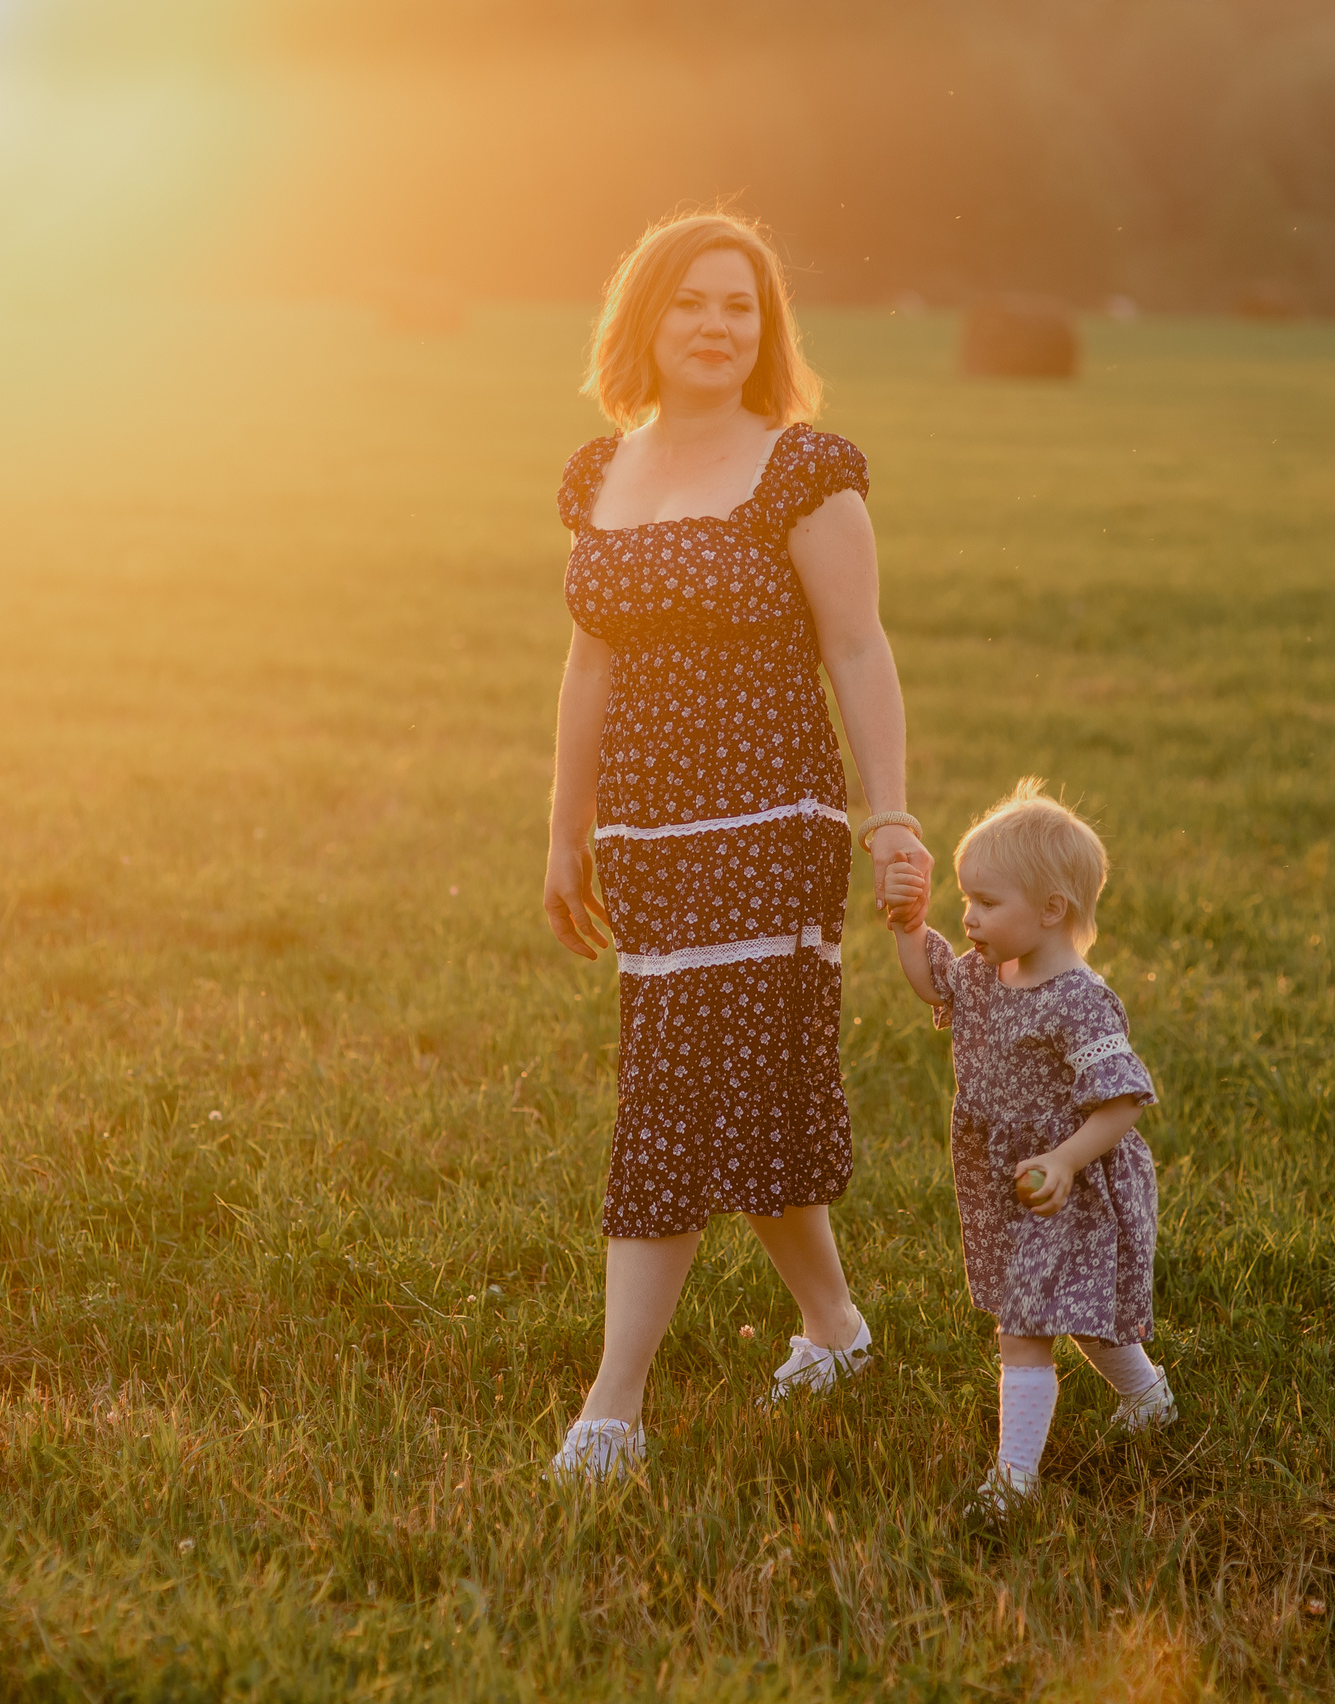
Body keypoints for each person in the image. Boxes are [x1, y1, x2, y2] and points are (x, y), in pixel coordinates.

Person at [540, 209, 928, 1481]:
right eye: (692, 301)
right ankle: (836, 1328)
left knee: (671, 1091)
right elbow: (589, 665)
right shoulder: (599, 475)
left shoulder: (803, 470)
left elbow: (857, 650)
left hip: (771, 821)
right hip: (647, 834)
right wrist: (565, 832)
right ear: (644, 318)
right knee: (745, 1092)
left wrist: (889, 818)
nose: (716, 326)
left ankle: (611, 1411)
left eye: (740, 306)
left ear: (767, 332)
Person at [880, 781, 1174, 1513]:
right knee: (1072, 1311)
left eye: (986, 902)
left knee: (1026, 1326)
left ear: (1050, 910)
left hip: (1071, 1185)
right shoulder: (985, 973)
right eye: (965, 900)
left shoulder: (1079, 1000)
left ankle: (1013, 1481)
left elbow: (1122, 1100)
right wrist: (909, 927)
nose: (969, 918)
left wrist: (1066, 1160)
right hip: (1009, 1179)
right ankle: (1148, 1397)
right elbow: (931, 984)